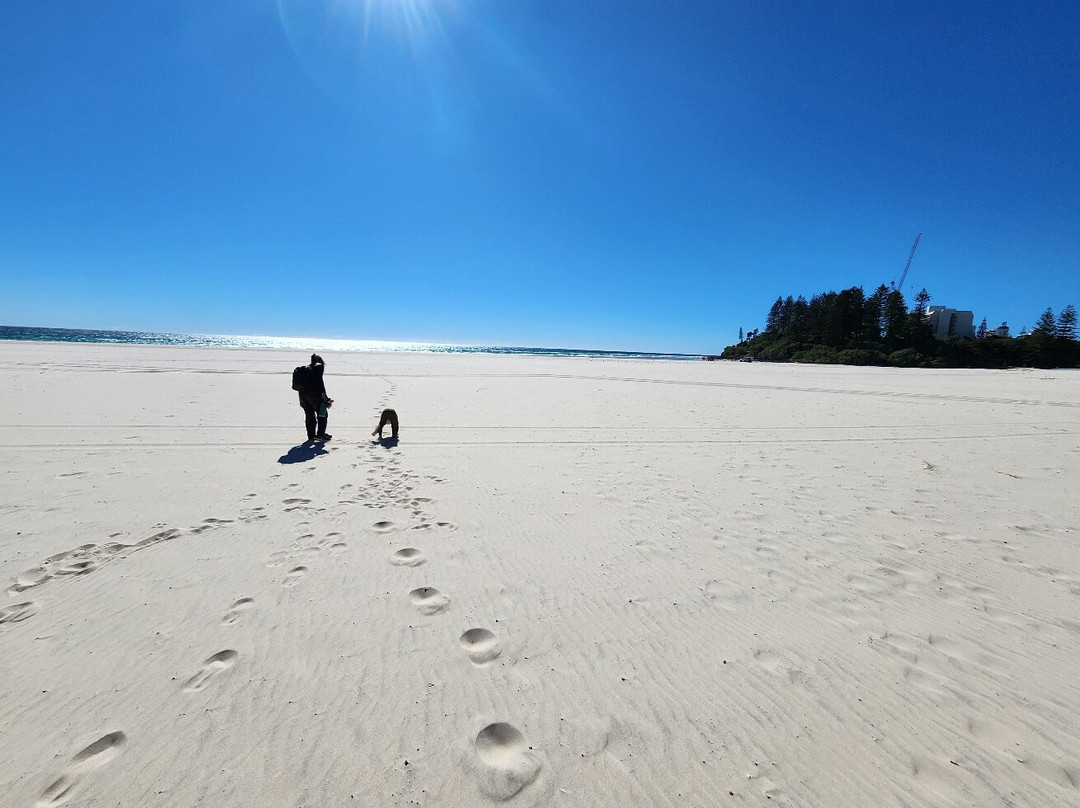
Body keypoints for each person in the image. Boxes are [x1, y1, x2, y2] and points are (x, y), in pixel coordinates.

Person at [297, 353, 334, 442]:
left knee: (309, 414)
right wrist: (325, 397)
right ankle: (320, 435)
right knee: (322, 414)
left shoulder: (306, 369)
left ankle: (311, 436)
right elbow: (319, 383)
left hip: (302, 395)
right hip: (315, 395)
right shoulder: (319, 367)